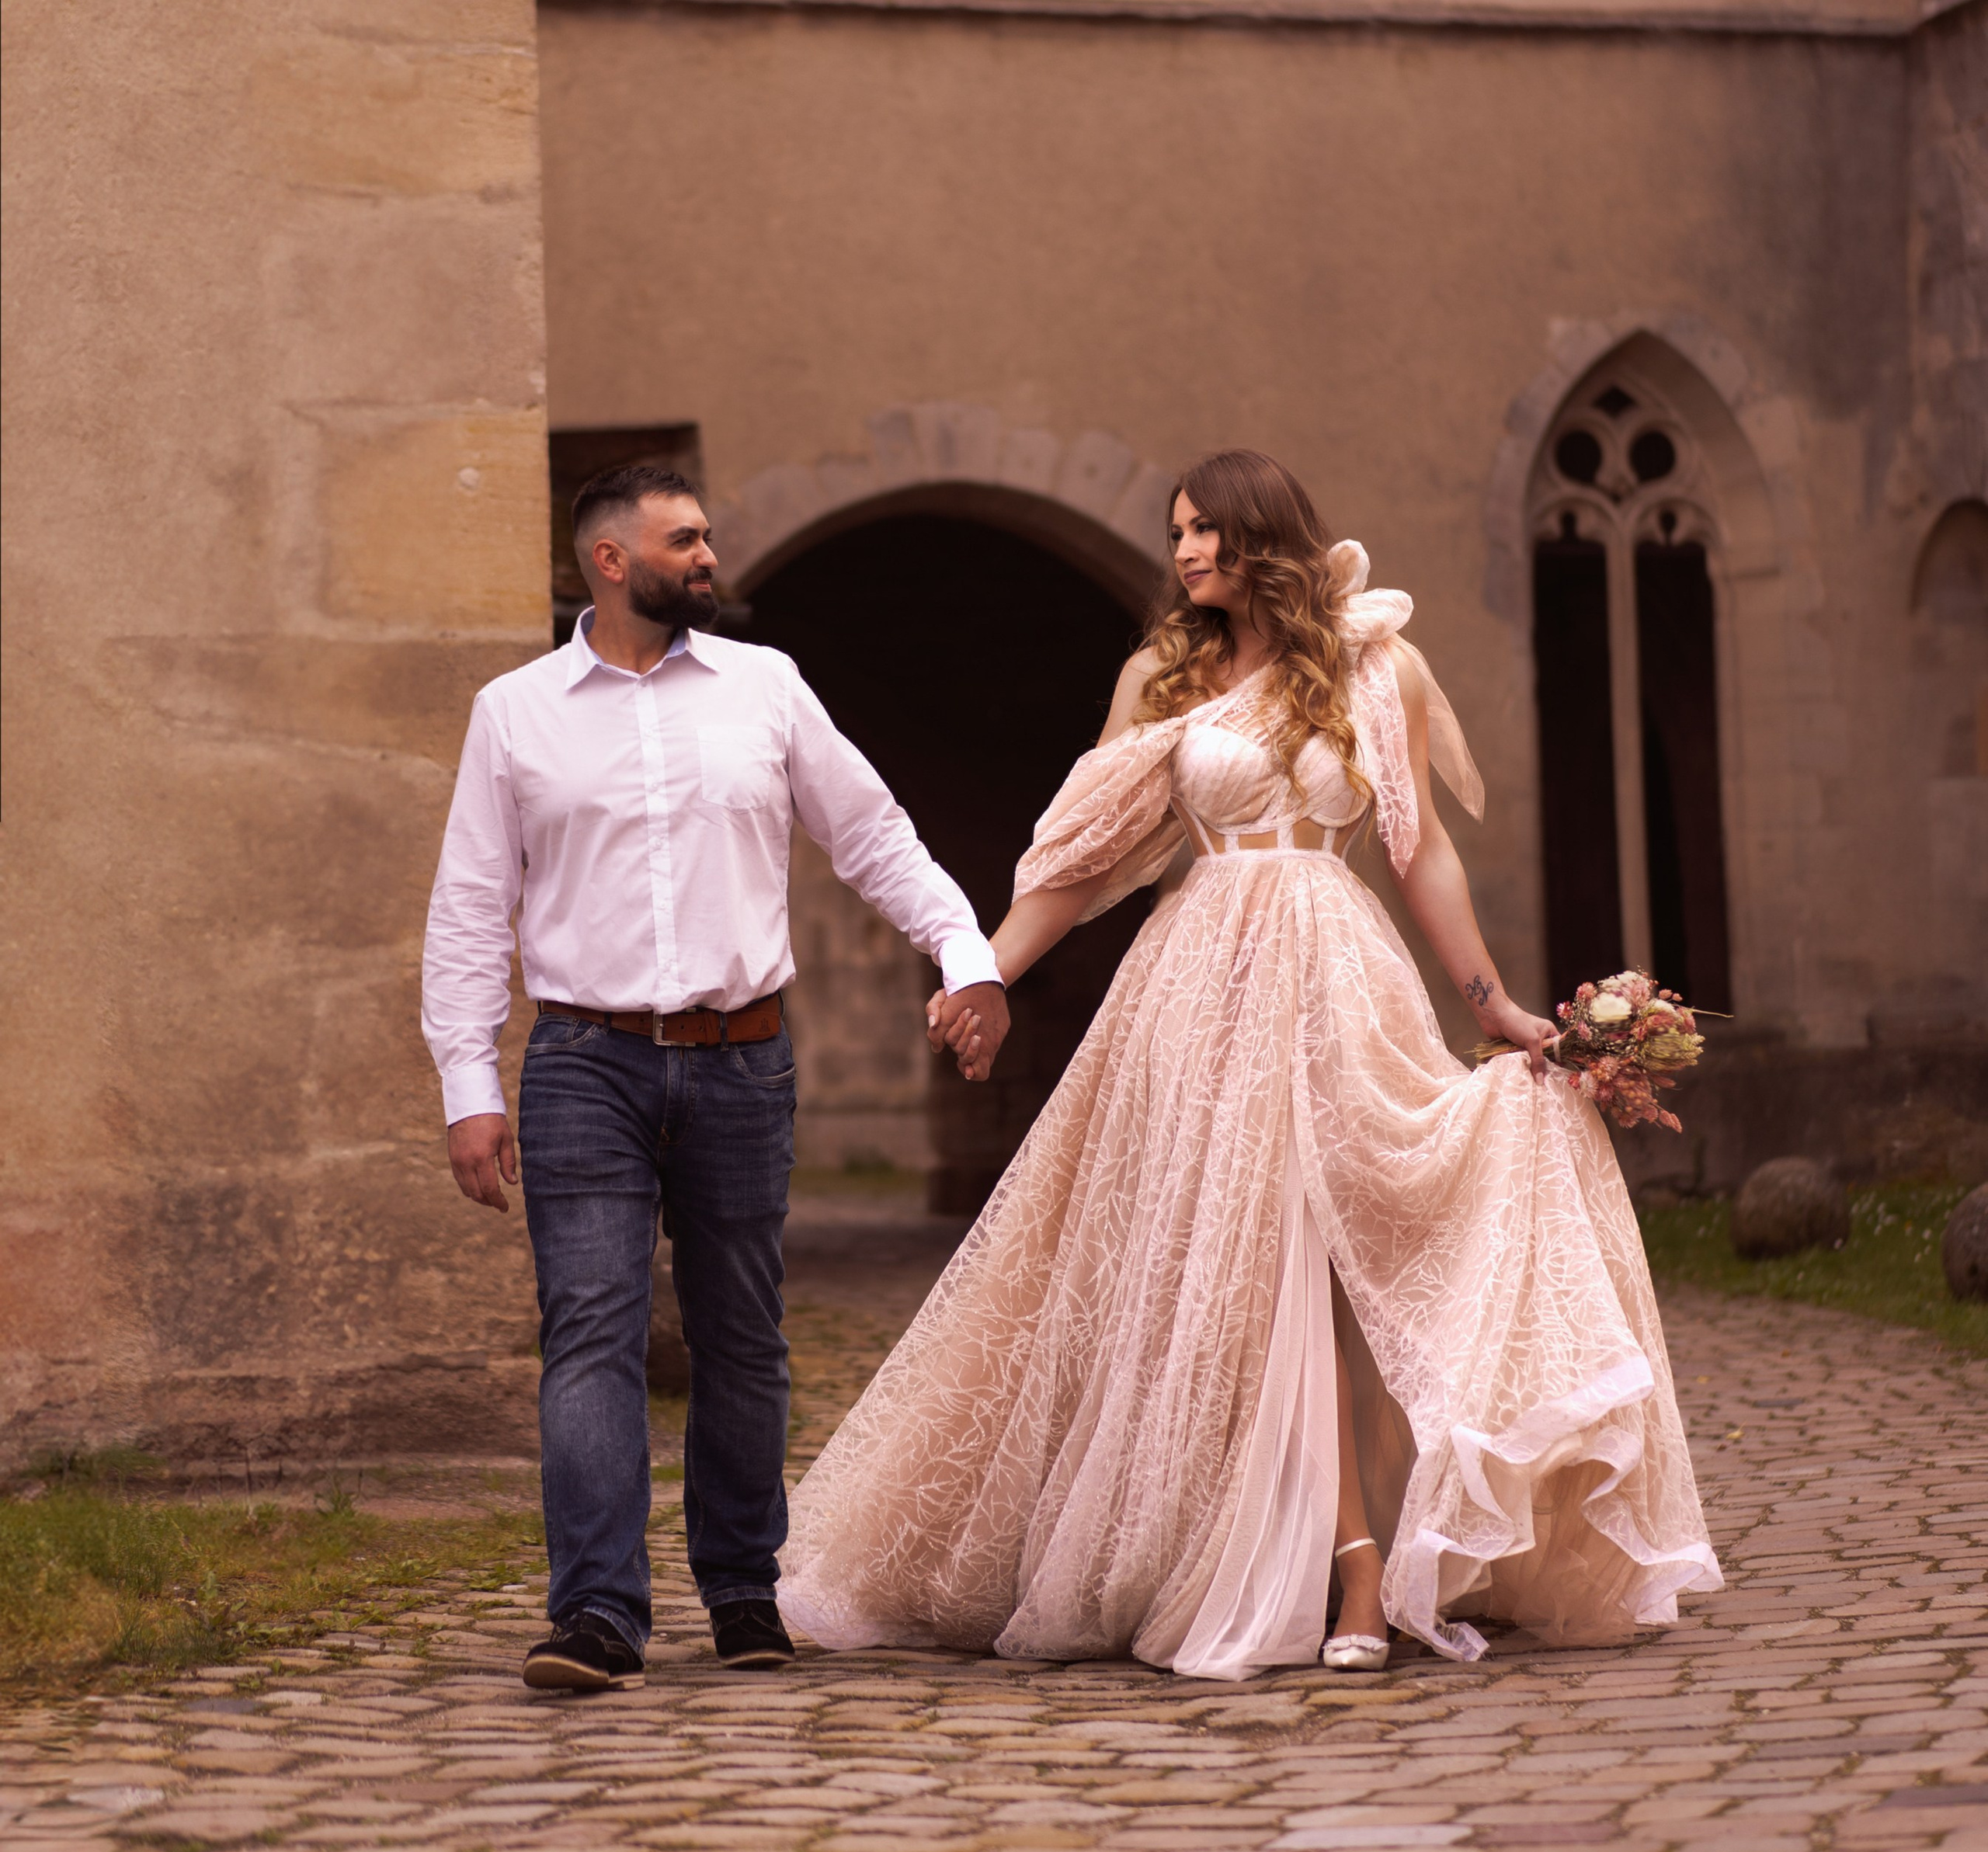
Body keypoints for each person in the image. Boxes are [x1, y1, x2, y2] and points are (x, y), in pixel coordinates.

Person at [780, 449, 1721, 1679]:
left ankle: (1363, 1562)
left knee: (1342, 1265)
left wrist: (1490, 1002)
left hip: (1339, 975)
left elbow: (1418, 846)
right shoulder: (1159, 680)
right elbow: (1076, 859)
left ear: (1263, 537)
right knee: (1254, 1264)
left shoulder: (1381, 667)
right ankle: (1347, 1568)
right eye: (1176, 534)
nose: (1183, 554)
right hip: (1200, 988)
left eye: (1205, 533)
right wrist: (981, 974)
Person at [422, 460, 1008, 1692]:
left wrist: (968, 957)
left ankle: (745, 1594)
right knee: (591, 1332)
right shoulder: (515, 712)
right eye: (684, 539)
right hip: (584, 1063)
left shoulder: (767, 688)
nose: (708, 555)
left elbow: (873, 834)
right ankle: (595, 1616)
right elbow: (471, 910)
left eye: (706, 537)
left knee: (743, 1338)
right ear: (610, 561)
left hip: (744, 1062)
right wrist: (467, 1087)